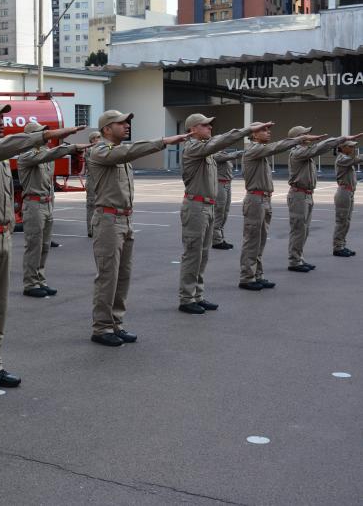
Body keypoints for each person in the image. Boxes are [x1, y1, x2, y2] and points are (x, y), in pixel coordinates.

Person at [0, 100, 85, 393]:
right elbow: (7, 146)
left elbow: (5, 150)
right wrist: (47, 135)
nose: (1, 122)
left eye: (2, 118)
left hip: (1, 236)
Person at [88, 110, 189, 346]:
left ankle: (116, 323)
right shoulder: (100, 150)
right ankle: (101, 328)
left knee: (123, 276)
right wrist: (163, 141)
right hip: (108, 220)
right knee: (108, 276)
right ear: (106, 129)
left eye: (127, 123)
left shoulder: (119, 152)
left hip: (124, 219)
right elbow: (129, 151)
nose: (127, 126)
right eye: (121, 123)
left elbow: (126, 153)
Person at [177, 115, 258, 314]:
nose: (210, 127)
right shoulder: (193, 148)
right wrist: (248, 130)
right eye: (205, 125)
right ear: (193, 129)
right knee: (193, 254)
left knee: (203, 254)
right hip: (196, 206)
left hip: (207, 206)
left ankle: (197, 295)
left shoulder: (205, 150)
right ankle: (187, 298)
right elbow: (222, 141)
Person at [238, 123, 323, 291]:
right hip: (255, 200)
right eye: (263, 130)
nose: (268, 132)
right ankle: (247, 277)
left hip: (263, 200)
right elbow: (277, 147)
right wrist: (299, 139)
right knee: (252, 240)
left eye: (268, 129)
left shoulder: (260, 151)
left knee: (260, 240)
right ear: (253, 135)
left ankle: (257, 275)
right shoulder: (254, 150)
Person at [17, 121, 90, 298]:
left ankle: (40, 279)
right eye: (41, 133)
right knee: (34, 246)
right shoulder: (27, 155)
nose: (46, 136)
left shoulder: (45, 154)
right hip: (34, 205)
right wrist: (72, 147)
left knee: (44, 245)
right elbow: (47, 155)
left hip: (47, 203)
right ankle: (30, 283)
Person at [286, 128, 359, 272]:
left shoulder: (304, 152)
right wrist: (340, 139)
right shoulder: (298, 152)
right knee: (299, 229)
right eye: (305, 134)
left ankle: (298, 259)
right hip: (299, 195)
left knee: (304, 230)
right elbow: (319, 148)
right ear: (298, 137)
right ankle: (294, 261)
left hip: (306, 194)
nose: (309, 135)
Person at [333, 140, 363, 257]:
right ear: (343, 147)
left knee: (346, 221)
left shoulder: (346, 158)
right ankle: (337, 247)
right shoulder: (342, 159)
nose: (353, 148)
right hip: (344, 193)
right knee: (341, 221)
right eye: (350, 146)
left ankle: (342, 245)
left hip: (349, 192)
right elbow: (357, 159)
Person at [211, 148, 244, 250]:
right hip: (220, 185)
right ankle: (216, 240)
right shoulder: (216, 154)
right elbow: (231, 156)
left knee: (225, 212)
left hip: (227, 184)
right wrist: (244, 152)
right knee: (219, 212)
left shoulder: (223, 154)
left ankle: (220, 238)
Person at [84, 130, 101, 238]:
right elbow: (93, 165)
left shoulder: (102, 149)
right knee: (91, 205)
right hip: (92, 181)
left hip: (101, 180)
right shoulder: (90, 151)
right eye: (95, 138)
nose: (97, 140)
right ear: (92, 140)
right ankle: (91, 229)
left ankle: (99, 228)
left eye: (99, 137)